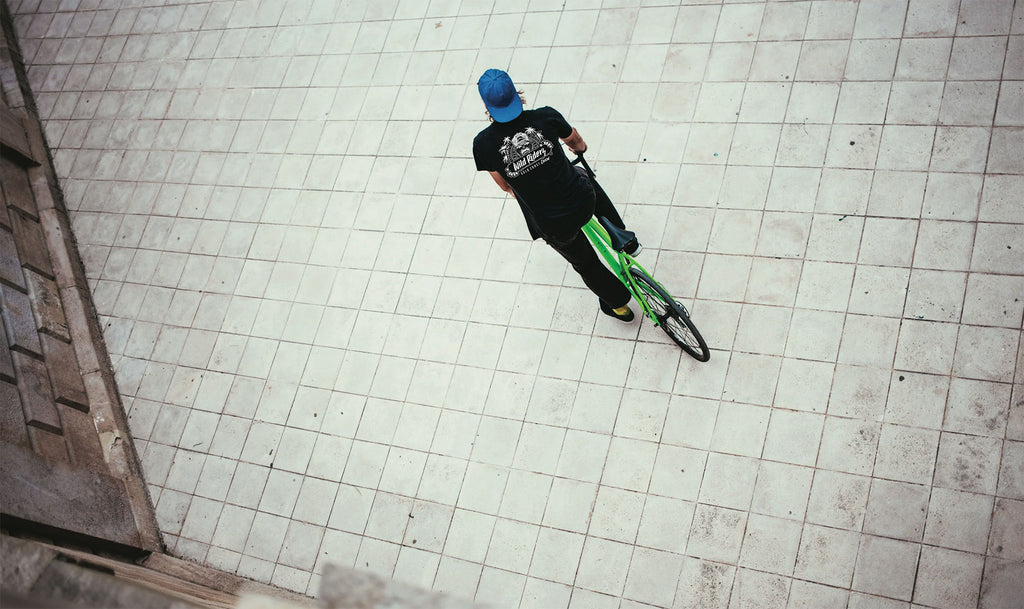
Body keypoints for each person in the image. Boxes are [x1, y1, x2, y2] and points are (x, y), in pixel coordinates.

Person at [472, 69, 640, 322]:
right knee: (582, 174)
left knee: (586, 264)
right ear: (516, 93)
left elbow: (505, 186)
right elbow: (576, 141)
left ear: (487, 105)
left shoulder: (483, 144)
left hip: (554, 224)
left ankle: (618, 305)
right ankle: (624, 237)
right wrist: (580, 149)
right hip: (582, 199)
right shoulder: (545, 117)